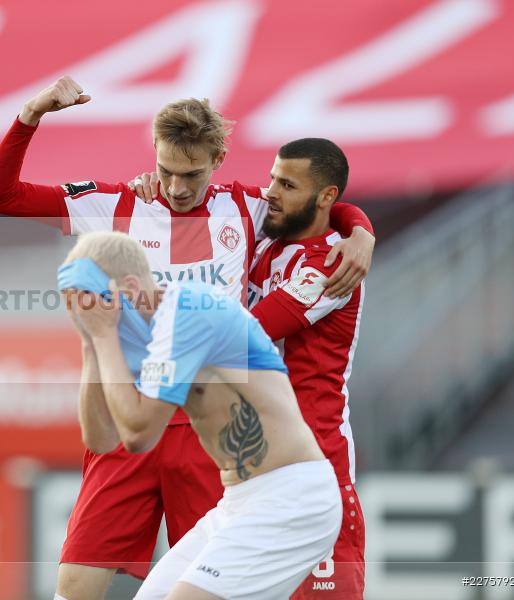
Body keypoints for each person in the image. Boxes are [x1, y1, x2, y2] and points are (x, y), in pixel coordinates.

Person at [0, 75, 374, 600]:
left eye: (192, 173)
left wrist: (360, 229)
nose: (178, 186)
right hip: (133, 416)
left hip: (210, 431)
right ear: (154, 157)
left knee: (206, 585)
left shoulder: (249, 207)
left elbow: (315, 205)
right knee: (75, 585)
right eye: (166, 170)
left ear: (218, 159)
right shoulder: (117, 205)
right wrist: (31, 113)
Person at [135, 138, 367, 598]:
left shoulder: (332, 262)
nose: (270, 192)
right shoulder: (263, 246)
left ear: (324, 197)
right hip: (252, 474)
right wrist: (157, 195)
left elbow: (243, 332)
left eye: (287, 183)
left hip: (314, 461)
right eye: (272, 178)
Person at [58, 231, 342, 600]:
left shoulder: (189, 309)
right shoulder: (139, 336)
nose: (88, 314)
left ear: (128, 288)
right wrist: (90, 342)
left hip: (292, 497)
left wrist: (103, 337)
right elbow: (101, 439)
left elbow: (138, 434)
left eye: (92, 302)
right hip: (239, 501)